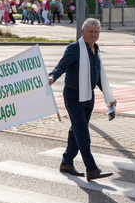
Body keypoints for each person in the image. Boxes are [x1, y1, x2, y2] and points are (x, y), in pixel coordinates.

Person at [49, 18, 116, 181]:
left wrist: (109, 96)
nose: (93, 35)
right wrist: (52, 77)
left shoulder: (95, 50)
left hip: (88, 96)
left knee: (76, 131)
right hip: (73, 95)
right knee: (83, 133)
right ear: (82, 32)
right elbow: (62, 66)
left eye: (96, 32)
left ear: (99, 33)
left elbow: (98, 76)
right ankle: (91, 169)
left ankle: (66, 163)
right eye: (90, 31)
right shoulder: (74, 48)